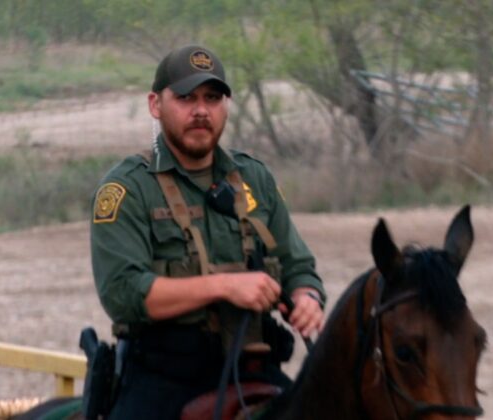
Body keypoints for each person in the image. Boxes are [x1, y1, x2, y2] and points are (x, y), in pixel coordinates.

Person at [90, 44, 326, 420]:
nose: (201, 110)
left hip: (254, 369)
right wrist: (226, 286)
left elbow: (298, 264)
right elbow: (123, 294)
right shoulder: (128, 189)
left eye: (212, 98)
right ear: (156, 104)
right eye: (186, 98)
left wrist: (308, 297)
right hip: (161, 379)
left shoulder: (255, 179)